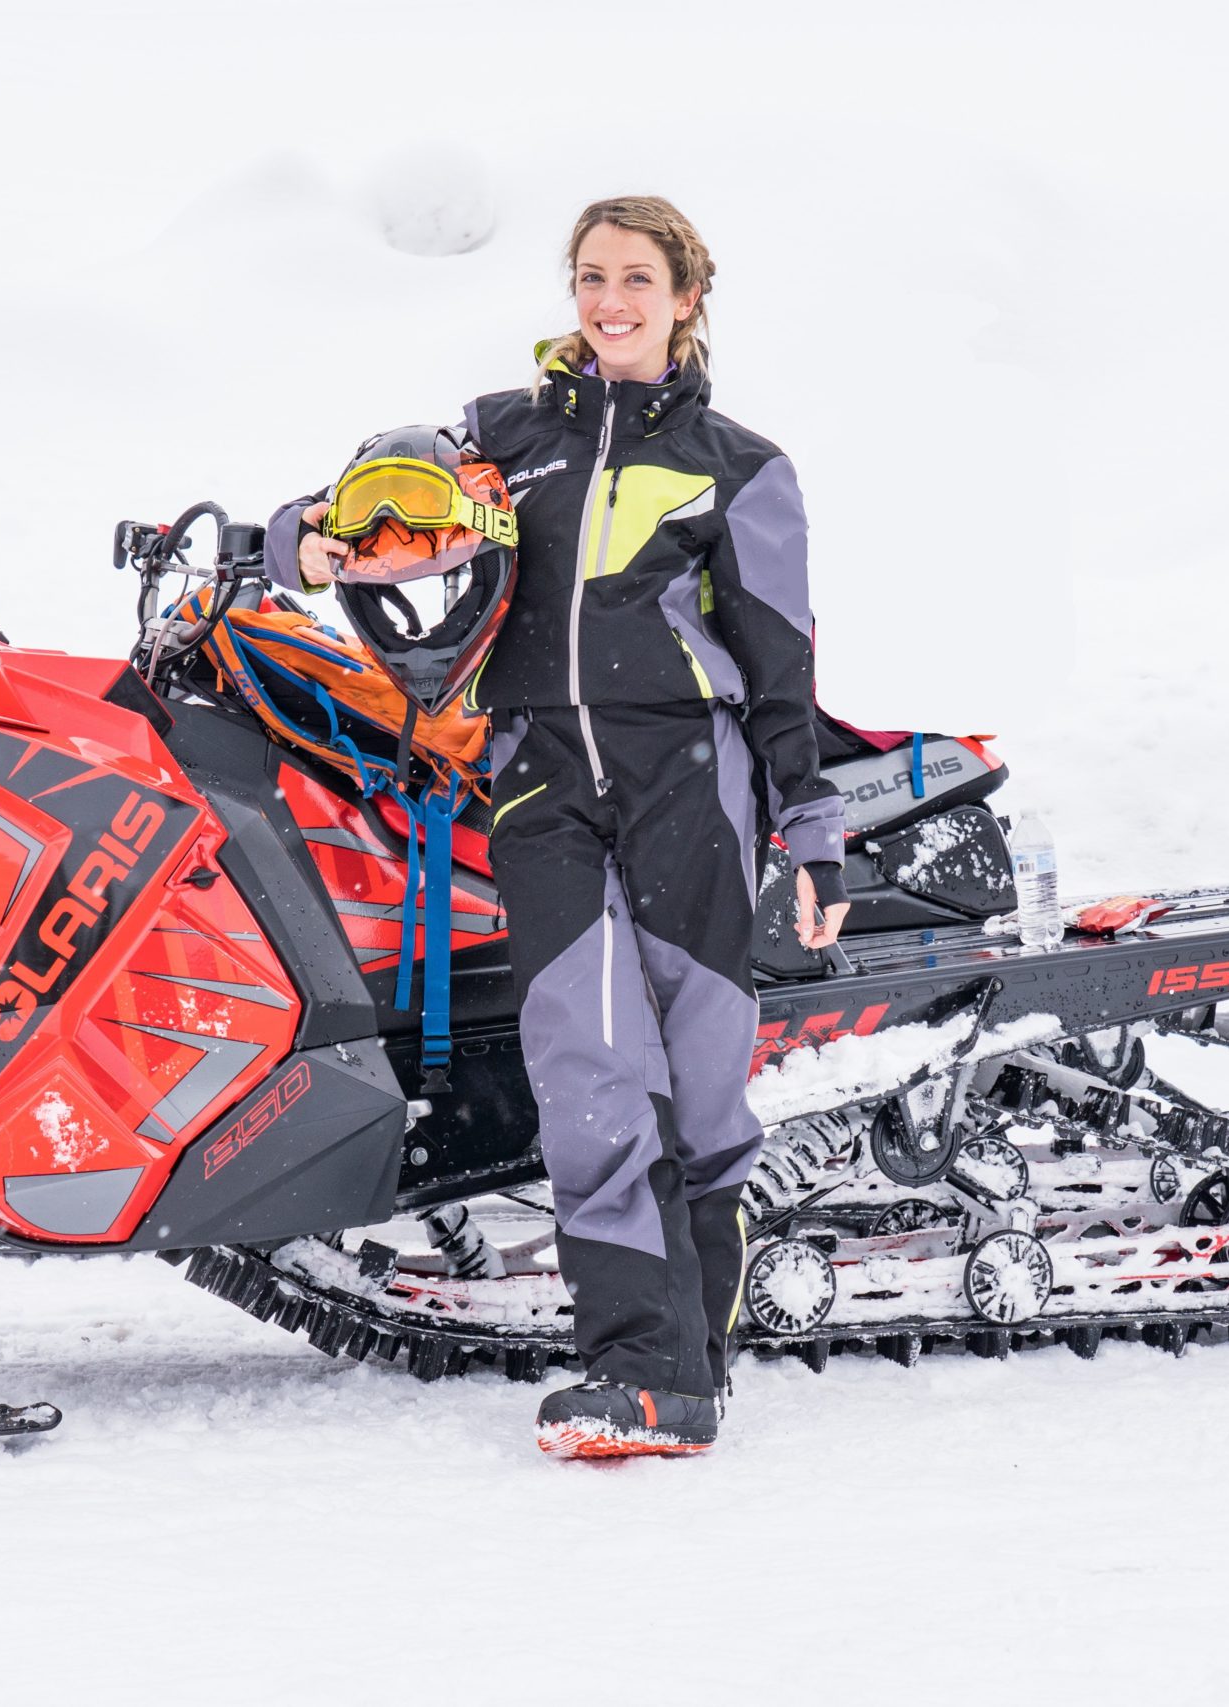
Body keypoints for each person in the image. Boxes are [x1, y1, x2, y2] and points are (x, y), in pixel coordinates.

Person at [266, 195, 846, 1458]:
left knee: (700, 1089)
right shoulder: (497, 436)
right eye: (590, 277)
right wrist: (297, 548)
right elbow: (362, 508)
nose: (608, 301)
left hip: (690, 777)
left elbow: (781, 660)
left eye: (636, 278)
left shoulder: (739, 466)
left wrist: (810, 828)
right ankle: (641, 1372)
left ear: (687, 295)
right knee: (585, 1071)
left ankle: (695, 1362)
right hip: (537, 779)